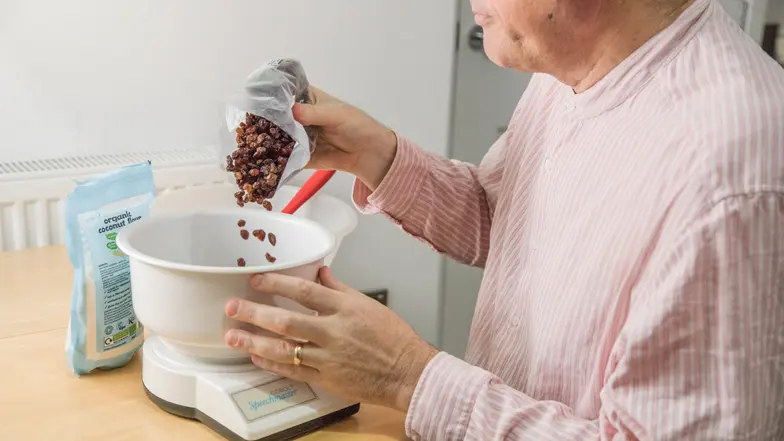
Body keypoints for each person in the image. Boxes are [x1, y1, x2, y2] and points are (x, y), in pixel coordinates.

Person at [223, 0, 784, 438]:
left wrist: (408, 377)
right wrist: (377, 156)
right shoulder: (573, 62)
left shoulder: (729, 176)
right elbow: (507, 223)